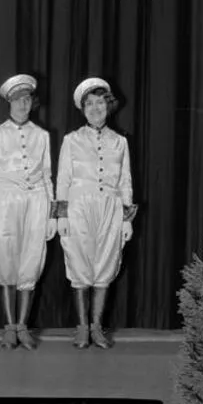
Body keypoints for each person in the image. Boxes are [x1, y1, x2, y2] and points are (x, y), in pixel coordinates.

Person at [55, 77, 137, 349]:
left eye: (100, 102)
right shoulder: (72, 140)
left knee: (105, 264)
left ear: (108, 106)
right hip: (79, 206)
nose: (95, 108)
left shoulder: (119, 142)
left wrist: (126, 219)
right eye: (89, 104)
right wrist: (62, 215)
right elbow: (63, 178)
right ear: (82, 109)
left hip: (110, 208)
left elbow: (125, 180)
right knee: (79, 264)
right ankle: (81, 327)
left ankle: (97, 327)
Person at [0, 74, 56, 351]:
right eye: (17, 100)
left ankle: (23, 326)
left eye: (27, 99)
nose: (23, 104)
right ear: (9, 103)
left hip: (35, 200)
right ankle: (9, 326)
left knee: (30, 258)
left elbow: (48, 176)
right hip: (5, 200)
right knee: (6, 259)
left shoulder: (42, 135)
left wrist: (51, 213)